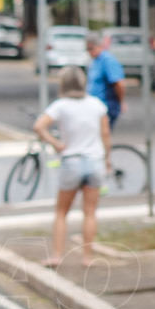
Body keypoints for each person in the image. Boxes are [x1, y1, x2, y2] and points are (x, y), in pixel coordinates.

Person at [33, 66, 112, 267]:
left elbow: (39, 126)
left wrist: (56, 144)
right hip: (95, 161)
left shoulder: (60, 106)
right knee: (90, 212)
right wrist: (107, 159)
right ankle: (88, 257)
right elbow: (105, 134)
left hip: (72, 161)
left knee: (61, 212)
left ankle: (57, 255)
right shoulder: (97, 105)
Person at [85, 32, 126, 130]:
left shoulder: (108, 60)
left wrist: (121, 102)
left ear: (99, 46)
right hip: (94, 106)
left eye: (91, 49)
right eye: (87, 49)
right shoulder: (94, 61)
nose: (89, 52)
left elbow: (119, 84)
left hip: (106, 106)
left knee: (103, 135)